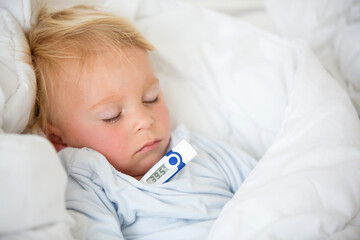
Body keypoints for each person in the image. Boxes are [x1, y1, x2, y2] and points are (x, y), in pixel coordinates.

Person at [26, 5, 257, 240]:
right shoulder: (90, 182)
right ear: (57, 138)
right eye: (112, 115)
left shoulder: (197, 151)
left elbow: (270, 187)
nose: (144, 121)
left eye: (151, 98)